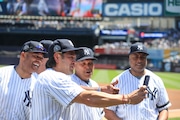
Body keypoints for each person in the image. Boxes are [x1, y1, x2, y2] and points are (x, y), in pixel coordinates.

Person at [30, 39, 147, 120]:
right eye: (70, 57)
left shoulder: (54, 77)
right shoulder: (53, 78)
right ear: (57, 57)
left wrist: (101, 89)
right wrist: (127, 98)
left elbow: (78, 89)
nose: (73, 61)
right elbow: (88, 98)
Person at [104, 43, 172, 120]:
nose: (139, 60)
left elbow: (163, 109)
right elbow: (108, 111)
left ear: (146, 59)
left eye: (142, 57)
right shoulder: (118, 81)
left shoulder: (157, 80)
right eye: (135, 57)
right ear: (129, 58)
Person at [0, 41, 47, 120]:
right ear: (23, 55)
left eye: (41, 58)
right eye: (36, 56)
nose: (39, 61)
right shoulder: (2, 74)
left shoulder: (38, 85)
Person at [71, 47, 119, 120]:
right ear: (74, 65)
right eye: (83, 63)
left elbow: (100, 114)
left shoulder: (94, 84)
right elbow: (76, 90)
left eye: (90, 63)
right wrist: (101, 90)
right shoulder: (69, 81)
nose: (87, 67)